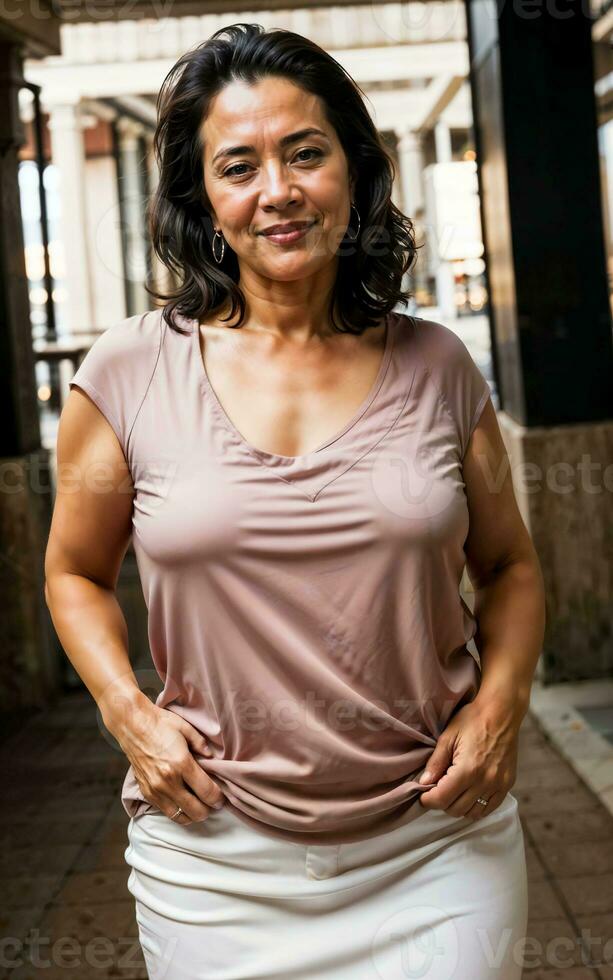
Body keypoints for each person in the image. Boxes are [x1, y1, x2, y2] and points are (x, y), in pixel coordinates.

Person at [44, 22, 546, 980]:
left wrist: (501, 705)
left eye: (304, 153)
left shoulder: (436, 365)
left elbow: (511, 567)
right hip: (212, 858)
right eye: (239, 165)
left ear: (351, 172)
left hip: (437, 843)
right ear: (205, 199)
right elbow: (72, 571)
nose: (277, 190)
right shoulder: (131, 370)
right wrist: (127, 713)